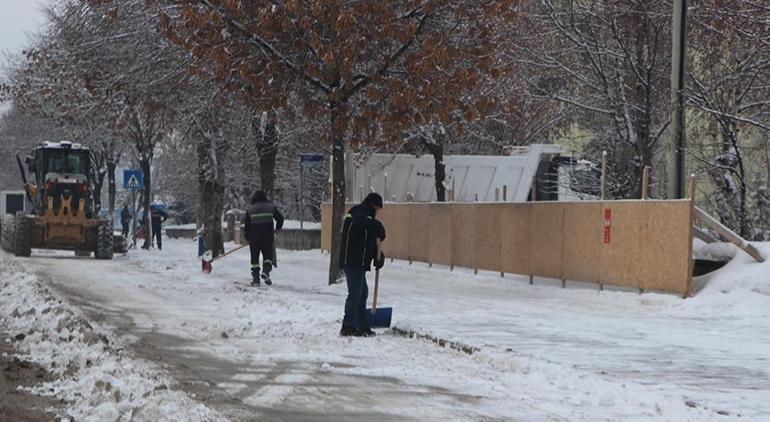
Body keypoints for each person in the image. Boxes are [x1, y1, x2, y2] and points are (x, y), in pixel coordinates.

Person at [339, 192, 386, 337]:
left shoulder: (367, 220)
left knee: (362, 293)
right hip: (352, 260)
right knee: (355, 294)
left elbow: (368, 242)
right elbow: (361, 221)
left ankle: (361, 325)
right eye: (378, 209)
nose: (377, 212)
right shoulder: (359, 212)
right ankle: (348, 326)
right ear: (374, 205)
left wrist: (378, 258)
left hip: (358, 261)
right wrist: (377, 225)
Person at [243, 191, 284, 286]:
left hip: (254, 239)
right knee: (268, 257)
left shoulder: (250, 210)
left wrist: (247, 238)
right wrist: (277, 229)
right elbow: (280, 219)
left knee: (254, 260)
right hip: (267, 237)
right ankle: (265, 271)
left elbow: (247, 226)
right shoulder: (271, 208)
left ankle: (256, 279)